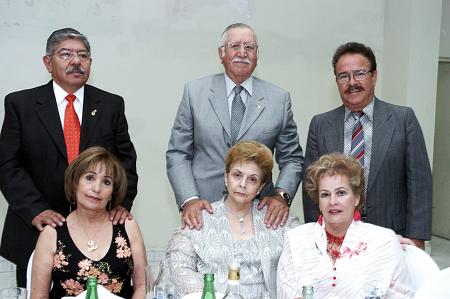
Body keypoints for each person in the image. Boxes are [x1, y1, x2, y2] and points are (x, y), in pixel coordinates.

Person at [0, 28, 138, 287]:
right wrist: (36, 210)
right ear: (47, 62)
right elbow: (8, 165)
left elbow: (125, 163)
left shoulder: (111, 105)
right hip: (37, 229)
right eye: (66, 54)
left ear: (90, 63)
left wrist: (122, 203)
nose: (76, 61)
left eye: (83, 56)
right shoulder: (21, 104)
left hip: (98, 230)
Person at [166, 23, 303, 231]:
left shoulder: (279, 100)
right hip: (203, 212)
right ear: (221, 53)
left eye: (249, 47)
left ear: (257, 55)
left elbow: (292, 158)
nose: (242, 53)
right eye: (235, 46)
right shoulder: (195, 93)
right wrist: (189, 200)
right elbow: (178, 154)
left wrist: (281, 196)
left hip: (260, 215)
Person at [302, 42, 432, 249]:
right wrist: (315, 236)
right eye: (343, 76)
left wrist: (417, 237)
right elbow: (311, 188)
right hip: (335, 236)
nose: (352, 82)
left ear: (374, 76)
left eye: (360, 73)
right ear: (336, 81)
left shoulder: (403, 119)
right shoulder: (320, 124)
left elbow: (420, 183)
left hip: (391, 235)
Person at [166, 141, 300, 299]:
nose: (243, 184)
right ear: (226, 177)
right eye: (237, 175)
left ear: (260, 187)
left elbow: (304, 265)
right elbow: (178, 267)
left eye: (252, 179)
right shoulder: (198, 218)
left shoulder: (280, 221)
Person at [277, 153, 413, 298]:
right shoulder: (295, 239)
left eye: (341, 193)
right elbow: (286, 292)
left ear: (356, 198)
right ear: (318, 201)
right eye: (325, 195)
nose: (332, 201)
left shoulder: (384, 241)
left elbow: (403, 295)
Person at [30, 146, 146, 298]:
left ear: (112, 193)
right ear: (75, 182)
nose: (97, 188)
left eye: (106, 182)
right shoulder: (52, 233)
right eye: (89, 178)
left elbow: (143, 287)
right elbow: (38, 296)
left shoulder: (127, 226)